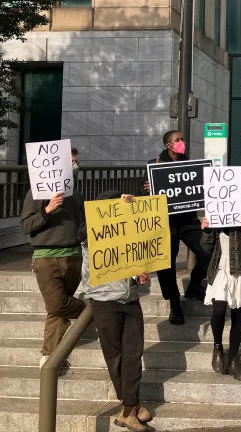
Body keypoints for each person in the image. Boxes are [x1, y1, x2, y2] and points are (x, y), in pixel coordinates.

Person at [80, 190, 152, 432]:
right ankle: (130, 408)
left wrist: (138, 275)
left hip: (129, 299)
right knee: (116, 356)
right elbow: (83, 231)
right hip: (103, 301)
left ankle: (130, 407)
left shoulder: (127, 235)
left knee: (133, 354)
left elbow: (130, 260)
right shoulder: (90, 232)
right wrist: (114, 208)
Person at [20, 150, 86, 367]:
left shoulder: (76, 195)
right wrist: (47, 210)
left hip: (74, 256)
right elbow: (26, 226)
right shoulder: (37, 193)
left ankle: (50, 356)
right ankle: (90, 311)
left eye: (76, 163)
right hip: (46, 258)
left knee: (55, 311)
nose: (75, 166)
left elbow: (84, 225)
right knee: (57, 304)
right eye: (72, 162)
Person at [142, 130, 211, 325]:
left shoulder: (188, 164)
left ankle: (194, 285)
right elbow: (142, 191)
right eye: (178, 140)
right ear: (168, 145)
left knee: (210, 249)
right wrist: (146, 189)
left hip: (188, 220)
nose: (182, 142)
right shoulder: (153, 165)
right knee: (167, 264)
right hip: (165, 223)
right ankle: (174, 305)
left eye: (182, 139)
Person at [200, 201, 241, 380]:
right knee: (219, 310)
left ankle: (234, 359)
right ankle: (218, 346)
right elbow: (206, 247)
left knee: (238, 315)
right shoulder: (215, 211)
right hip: (220, 270)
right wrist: (206, 230)